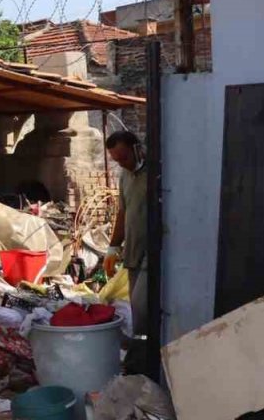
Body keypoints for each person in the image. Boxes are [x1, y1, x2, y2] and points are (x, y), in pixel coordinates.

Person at [103, 130, 147, 374]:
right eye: (117, 161)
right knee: (136, 309)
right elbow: (122, 212)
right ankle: (140, 353)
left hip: (152, 253)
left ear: (137, 148)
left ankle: (137, 362)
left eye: (125, 158)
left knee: (141, 309)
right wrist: (113, 246)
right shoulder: (125, 177)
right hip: (132, 252)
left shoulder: (154, 173)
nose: (123, 164)